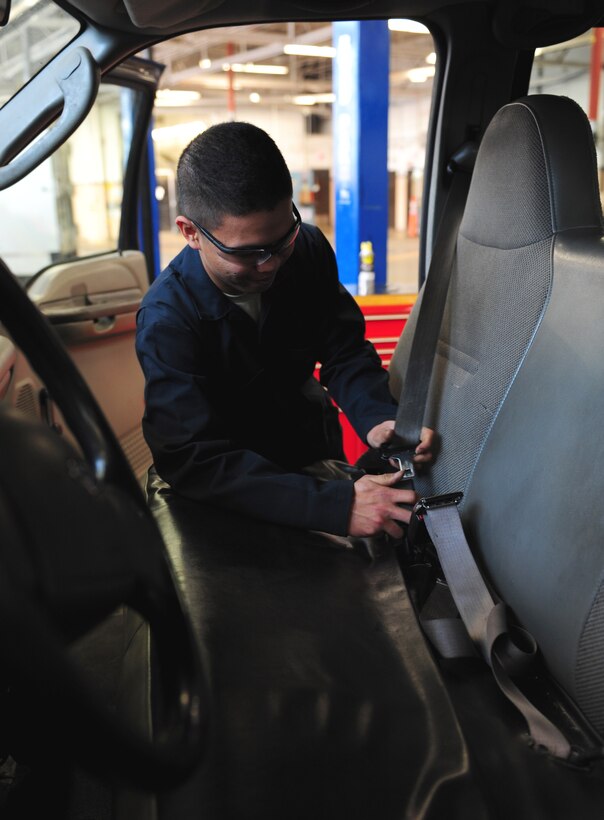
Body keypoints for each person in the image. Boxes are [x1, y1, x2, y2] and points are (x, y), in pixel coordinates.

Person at [136, 122, 433, 539]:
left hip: (308, 447)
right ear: (190, 233)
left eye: (281, 239)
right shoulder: (168, 319)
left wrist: (378, 417)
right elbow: (193, 457)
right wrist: (332, 505)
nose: (271, 263)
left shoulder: (307, 250)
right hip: (230, 488)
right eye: (247, 253)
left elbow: (344, 350)